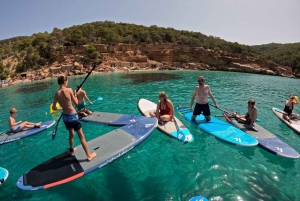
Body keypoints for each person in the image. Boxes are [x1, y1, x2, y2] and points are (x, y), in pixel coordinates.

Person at [52, 74, 96, 161]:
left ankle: (72, 151)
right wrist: (75, 96)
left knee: (71, 134)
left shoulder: (57, 94)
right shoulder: (69, 90)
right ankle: (88, 156)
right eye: (67, 81)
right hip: (73, 116)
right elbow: (78, 105)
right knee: (81, 136)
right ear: (65, 82)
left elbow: (54, 108)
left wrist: (62, 107)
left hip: (65, 118)